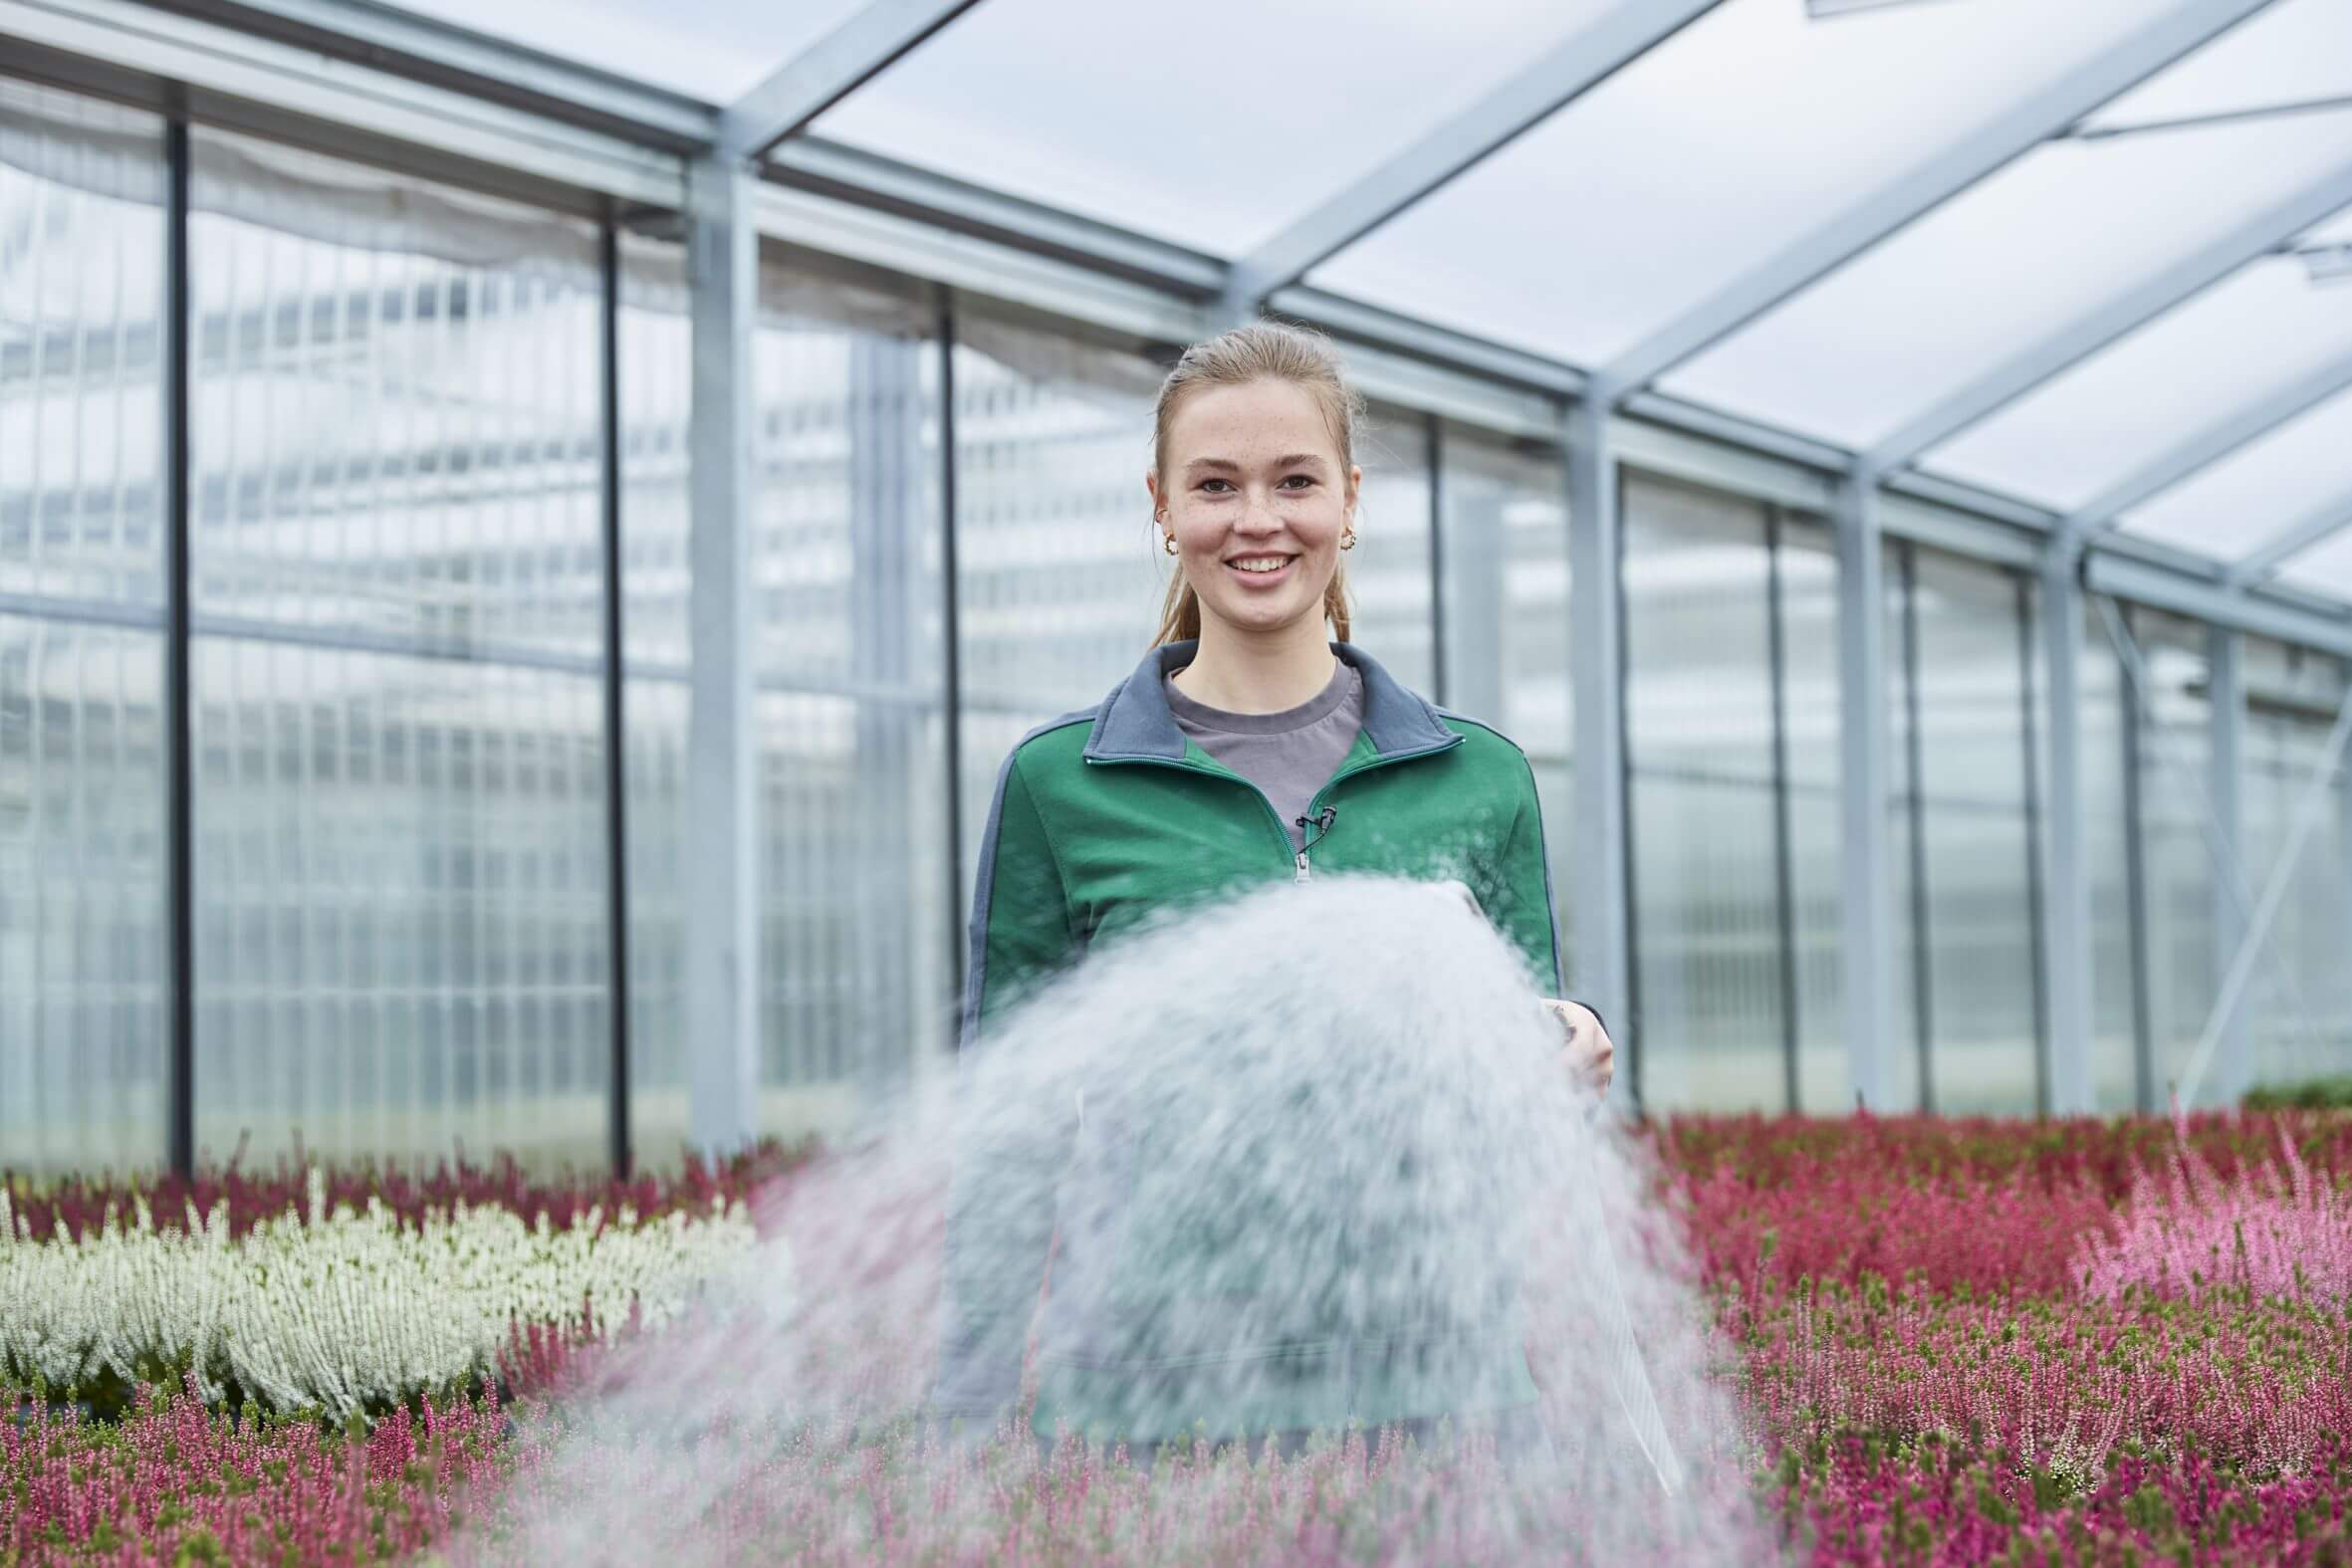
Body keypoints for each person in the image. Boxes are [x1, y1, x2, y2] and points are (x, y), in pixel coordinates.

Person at [934, 319, 1616, 1461]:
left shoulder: (1476, 777)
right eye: (1216, 485)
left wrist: (1571, 1036)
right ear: (1162, 508)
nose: (1257, 519)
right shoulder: (1064, 784)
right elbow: (1008, 1132)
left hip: (1439, 1406)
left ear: (1348, 502)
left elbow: (1517, 1080)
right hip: (1153, 1412)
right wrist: (964, 1433)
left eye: (1294, 481)